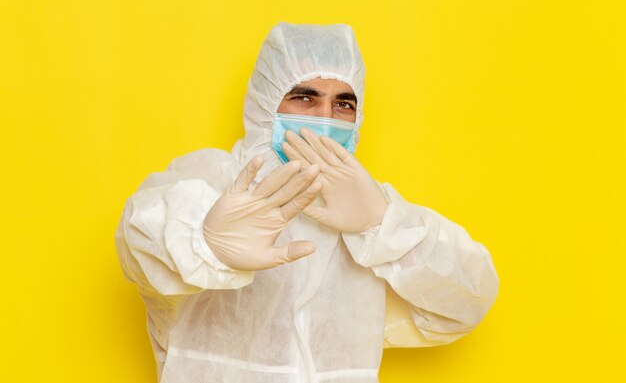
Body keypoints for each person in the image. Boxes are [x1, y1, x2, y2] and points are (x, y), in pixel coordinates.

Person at [114, 22, 500, 383]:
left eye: (343, 104)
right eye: (304, 98)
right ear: (266, 103)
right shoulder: (214, 180)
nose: (325, 118)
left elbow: (464, 304)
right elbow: (140, 241)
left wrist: (383, 226)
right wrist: (206, 244)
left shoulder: (364, 206)